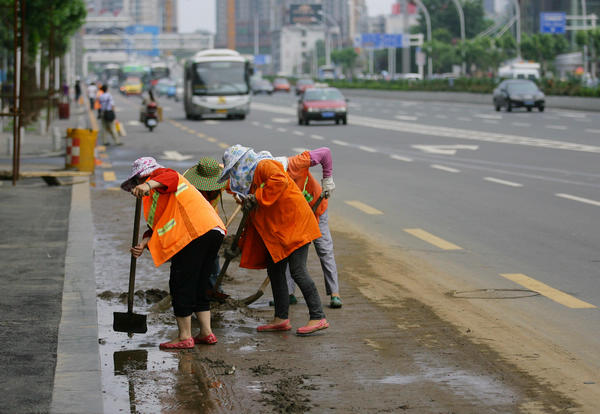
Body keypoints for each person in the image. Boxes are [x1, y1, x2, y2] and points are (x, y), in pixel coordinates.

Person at [218, 145, 329, 336]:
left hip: (296, 224)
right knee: (275, 271)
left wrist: (258, 197)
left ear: (242, 163)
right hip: (280, 231)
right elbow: (254, 217)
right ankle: (281, 318)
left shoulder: (264, 165)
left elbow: (279, 180)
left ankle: (318, 316)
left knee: (297, 270)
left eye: (235, 169)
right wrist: (240, 244)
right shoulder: (251, 180)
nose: (235, 174)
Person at [121, 157, 226, 350]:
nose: (136, 188)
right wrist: (144, 243)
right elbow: (158, 223)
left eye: (136, 183)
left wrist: (148, 185)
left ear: (142, 177)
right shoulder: (157, 195)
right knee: (200, 284)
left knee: (181, 283)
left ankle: (184, 336)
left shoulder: (160, 177)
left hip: (193, 234)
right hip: (212, 230)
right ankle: (206, 333)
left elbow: (171, 176)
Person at [271, 147, 342, 308]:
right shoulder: (272, 179)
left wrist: (327, 179)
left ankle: (334, 293)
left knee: (324, 249)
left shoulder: (296, 163)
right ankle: (288, 294)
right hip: (296, 217)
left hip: (316, 208)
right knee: (290, 249)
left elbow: (325, 152)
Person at [183, 157, 228, 293]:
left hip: (213, 224)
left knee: (213, 257)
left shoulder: (222, 180)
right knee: (193, 258)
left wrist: (241, 197)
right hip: (193, 224)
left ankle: (214, 288)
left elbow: (236, 187)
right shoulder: (190, 189)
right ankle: (192, 286)